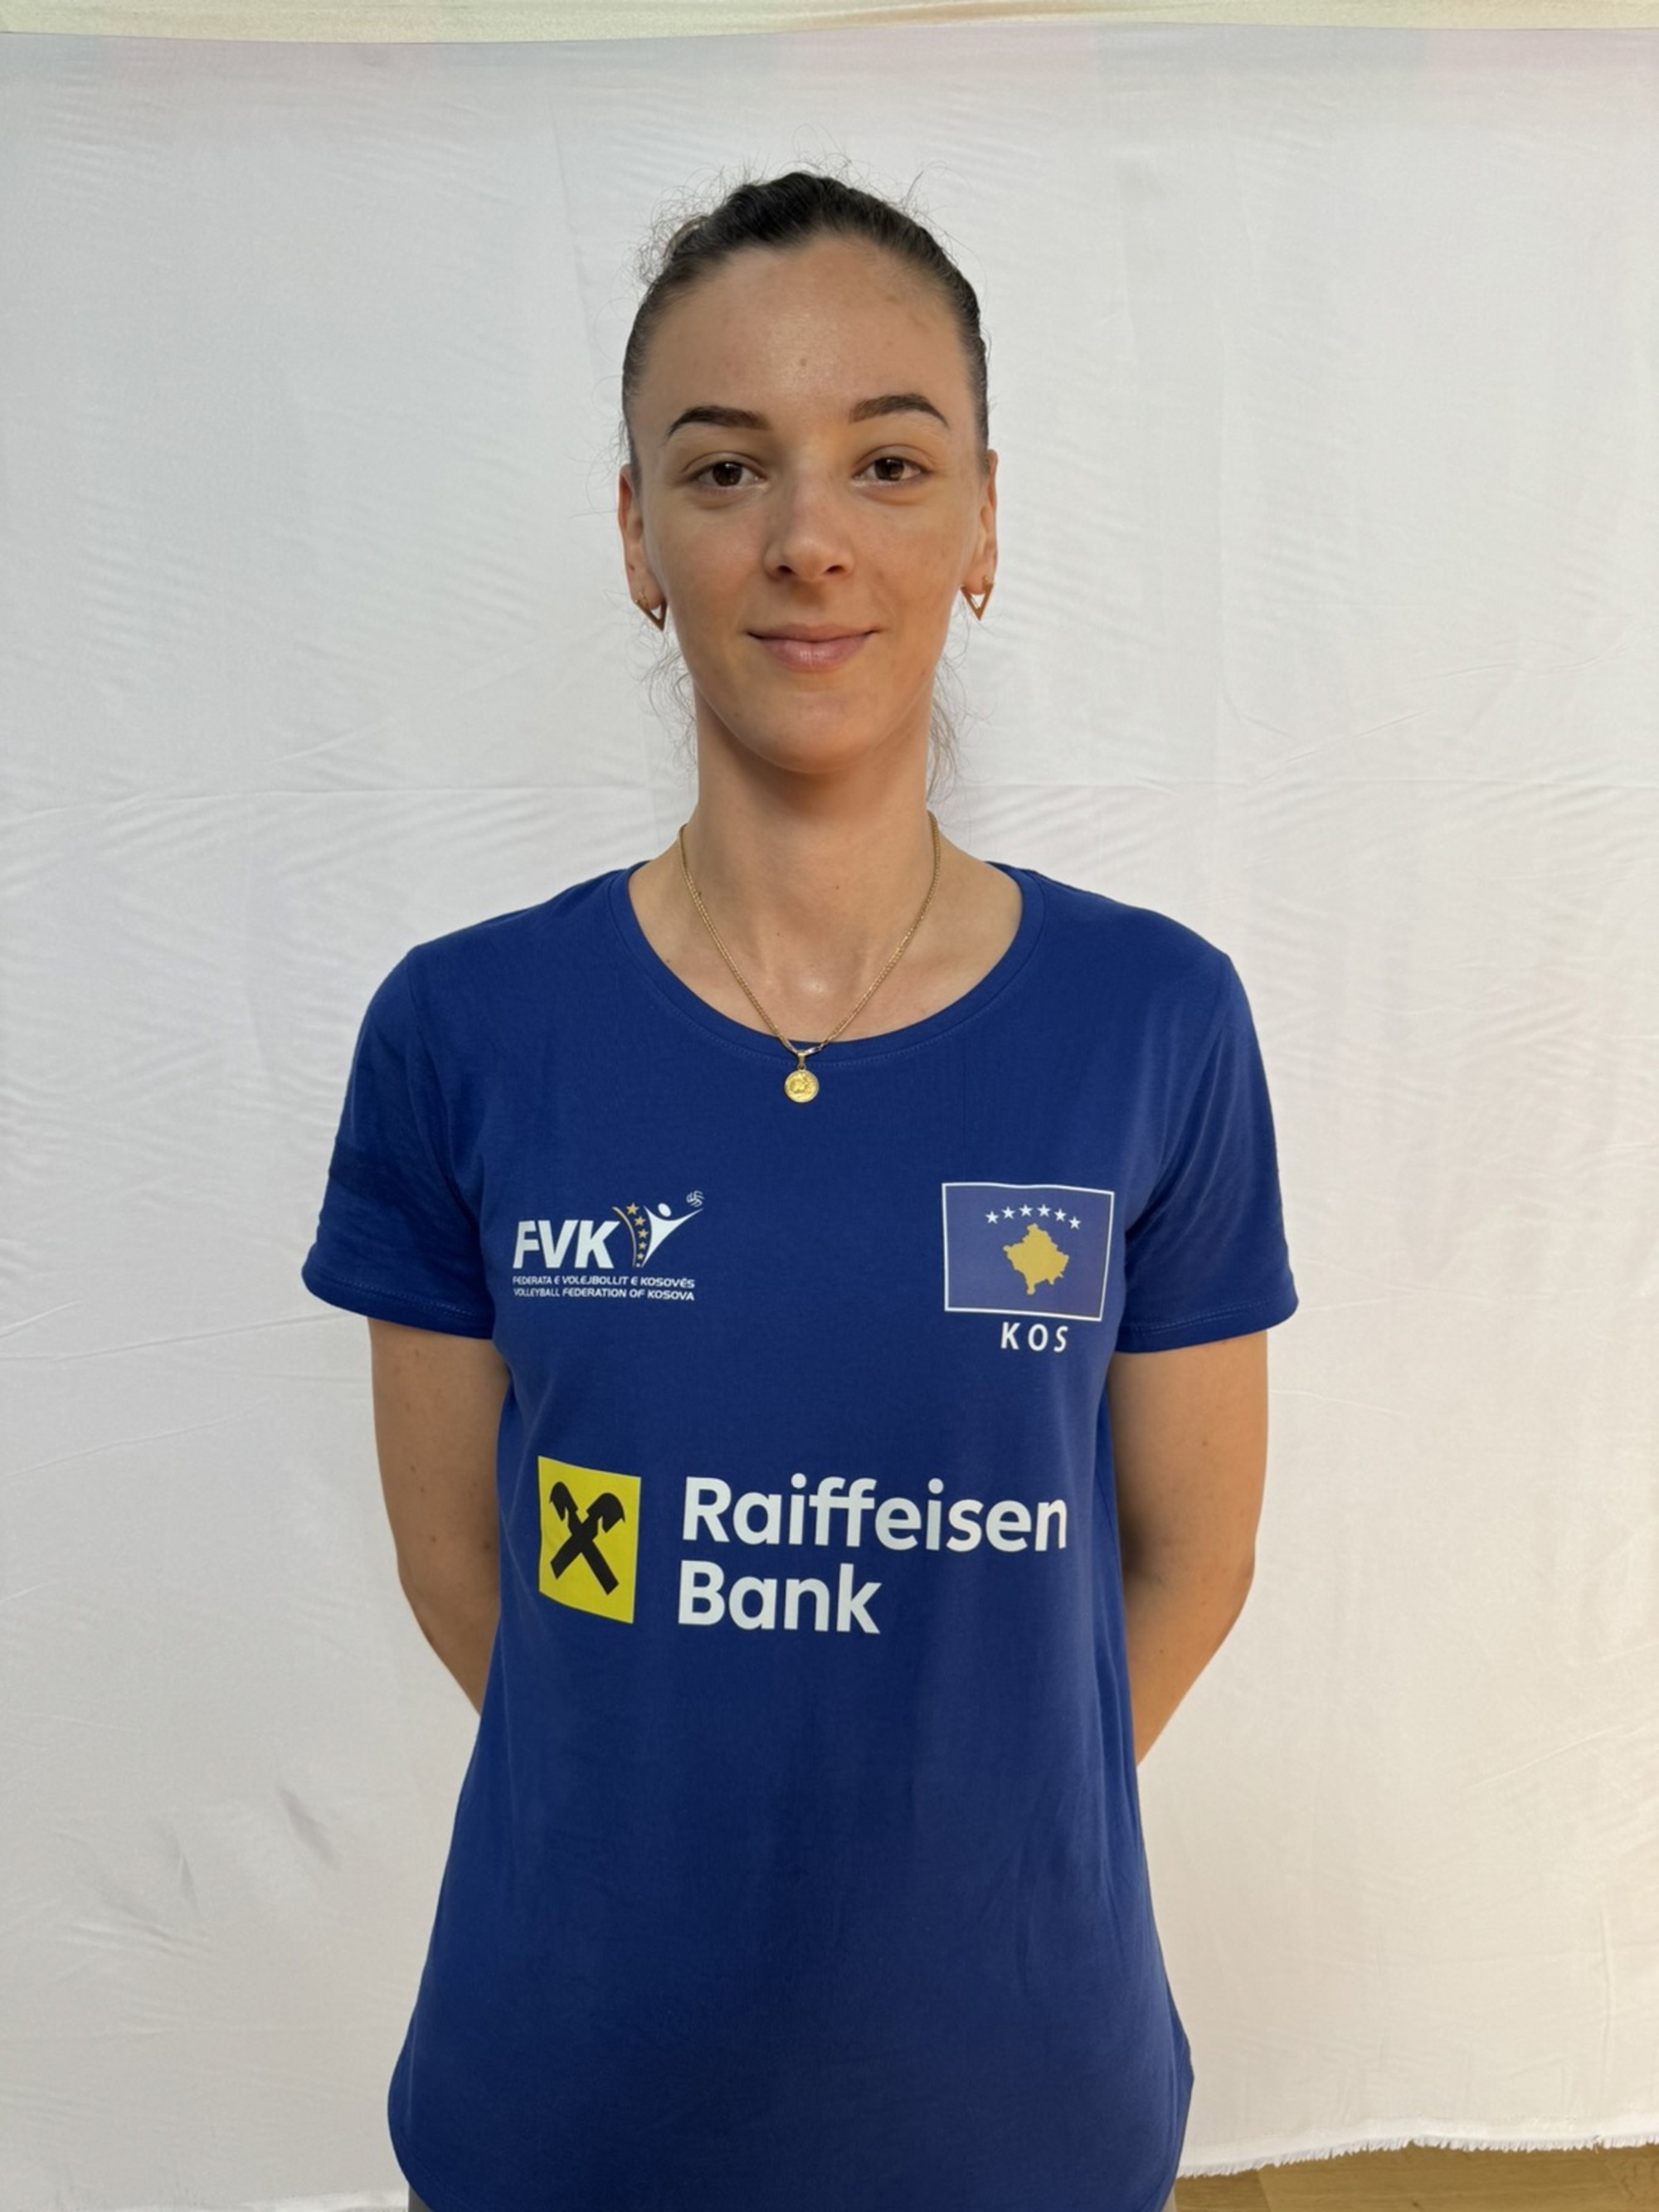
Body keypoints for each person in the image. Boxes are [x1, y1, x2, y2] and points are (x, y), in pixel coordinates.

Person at [301, 166, 1297, 2212]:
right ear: (637, 536)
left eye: (889, 462)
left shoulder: (1155, 1020)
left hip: (1014, 2095)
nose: (808, 538)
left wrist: (958, 1844)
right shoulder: (459, 1029)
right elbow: (463, 1564)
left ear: (984, 524)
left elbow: (1189, 1558)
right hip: (567, 2094)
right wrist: (670, 1816)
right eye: (726, 466)